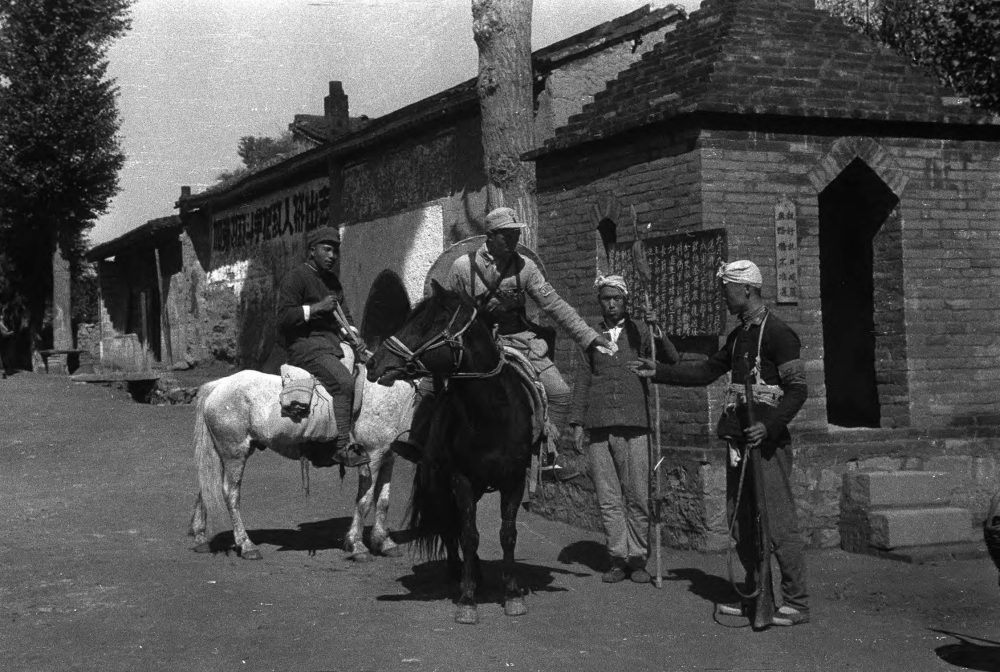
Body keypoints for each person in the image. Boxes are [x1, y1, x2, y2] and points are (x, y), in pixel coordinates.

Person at [631, 260, 809, 626]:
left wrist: (769, 426)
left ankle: (797, 600)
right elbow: (706, 371)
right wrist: (660, 372)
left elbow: (798, 391)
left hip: (766, 444)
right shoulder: (740, 336)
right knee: (741, 521)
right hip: (738, 442)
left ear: (746, 289)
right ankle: (755, 593)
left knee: (777, 521)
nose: (722, 296)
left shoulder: (779, 334)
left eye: (726, 288)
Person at [390, 206, 613, 465]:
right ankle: (416, 437)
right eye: (506, 235)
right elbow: (444, 310)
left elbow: (555, 306)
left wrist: (589, 336)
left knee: (560, 392)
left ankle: (546, 453)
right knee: (431, 382)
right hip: (472, 343)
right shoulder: (463, 267)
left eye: (516, 234)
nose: (513, 240)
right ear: (490, 235)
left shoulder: (526, 268)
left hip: (519, 340)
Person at [569, 275, 678, 584]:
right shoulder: (589, 336)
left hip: (636, 423)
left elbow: (671, 359)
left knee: (639, 495)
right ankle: (618, 557)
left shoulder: (640, 330)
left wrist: (657, 328)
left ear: (626, 301)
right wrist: (577, 423)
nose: (612, 303)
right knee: (608, 496)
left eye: (617, 298)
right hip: (599, 425)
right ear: (600, 301)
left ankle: (638, 558)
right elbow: (582, 381)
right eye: (606, 298)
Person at [276, 225, 369, 467]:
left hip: (332, 345)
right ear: (311, 251)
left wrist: (355, 338)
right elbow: (284, 318)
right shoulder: (295, 278)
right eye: (327, 250)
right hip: (305, 347)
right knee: (344, 383)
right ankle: (341, 447)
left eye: (335, 251)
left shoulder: (332, 282)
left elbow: (345, 318)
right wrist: (317, 308)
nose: (332, 256)